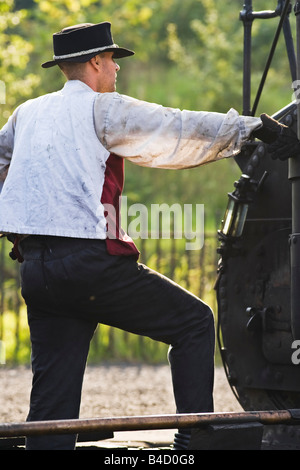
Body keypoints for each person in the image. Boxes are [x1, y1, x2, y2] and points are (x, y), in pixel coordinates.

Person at [0, 22, 299, 451]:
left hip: (38, 273)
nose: (117, 70)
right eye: (113, 61)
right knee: (195, 323)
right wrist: (254, 130)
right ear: (95, 62)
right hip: (88, 266)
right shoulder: (101, 109)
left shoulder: (26, 113)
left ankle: (47, 445)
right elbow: (173, 127)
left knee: (53, 409)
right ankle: (195, 440)